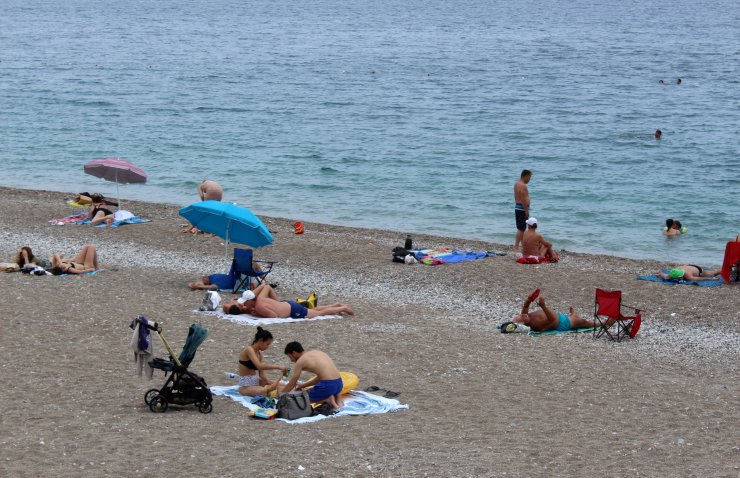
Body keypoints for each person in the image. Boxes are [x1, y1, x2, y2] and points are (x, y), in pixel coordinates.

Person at [223, 284, 353, 318]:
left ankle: (343, 308)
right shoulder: (261, 299)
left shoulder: (259, 307)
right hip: (289, 305)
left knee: (318, 314)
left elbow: (273, 316)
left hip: (293, 310)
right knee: (312, 310)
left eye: (245, 303)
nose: (244, 304)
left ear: (250, 301)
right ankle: (335, 305)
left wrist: (257, 313)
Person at [282, 341, 345, 410]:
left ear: (294, 353)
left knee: (300, 400)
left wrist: (280, 395)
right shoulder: (318, 352)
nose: (291, 360)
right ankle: (338, 398)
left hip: (327, 386)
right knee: (329, 387)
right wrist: (303, 386)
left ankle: (327, 399)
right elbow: (321, 377)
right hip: (339, 384)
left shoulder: (300, 361)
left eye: (290, 357)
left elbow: (292, 383)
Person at [511, 292, 608, 333]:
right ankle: (604, 323)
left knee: (574, 318)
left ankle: (574, 314)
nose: (524, 315)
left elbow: (525, 306)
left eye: (521, 314)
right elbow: (551, 319)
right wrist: (543, 306)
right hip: (563, 324)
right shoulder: (536, 325)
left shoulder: (526, 316)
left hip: (560, 317)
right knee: (584, 322)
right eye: (522, 317)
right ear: (525, 324)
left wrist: (530, 298)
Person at [237, 327, 288, 396]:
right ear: (261, 340)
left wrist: (269, 382)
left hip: (256, 381)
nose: (268, 347)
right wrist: (278, 367)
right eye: (267, 344)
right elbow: (259, 366)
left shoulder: (259, 353)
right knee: (262, 390)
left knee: (283, 385)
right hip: (245, 386)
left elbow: (262, 375)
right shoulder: (249, 350)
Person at [514, 169, 532, 251]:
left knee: (522, 228)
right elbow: (523, 198)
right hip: (522, 208)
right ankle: (516, 246)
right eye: (529, 177)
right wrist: (526, 210)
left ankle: (521, 246)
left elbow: (517, 197)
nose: (529, 179)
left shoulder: (517, 184)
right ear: (526, 176)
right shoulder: (523, 185)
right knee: (521, 229)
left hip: (518, 207)